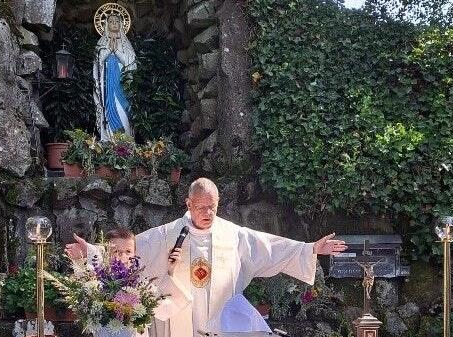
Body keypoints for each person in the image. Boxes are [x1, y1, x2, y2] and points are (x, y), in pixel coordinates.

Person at [69, 178, 347, 336]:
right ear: (188, 204)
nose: (206, 213)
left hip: (222, 326)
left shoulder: (234, 235)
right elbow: (126, 254)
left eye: (211, 207)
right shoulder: (167, 234)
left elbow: (271, 247)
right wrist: (92, 253)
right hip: (180, 325)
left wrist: (310, 248)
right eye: (200, 207)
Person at [65, 228, 190, 337]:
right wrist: (86, 254)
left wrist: (171, 271)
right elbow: (84, 278)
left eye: (128, 251)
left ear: (135, 254)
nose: (122, 256)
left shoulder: (142, 283)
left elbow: (168, 306)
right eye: (115, 251)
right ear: (106, 253)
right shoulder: (97, 279)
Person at [93, 14, 136, 141]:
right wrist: (108, 51)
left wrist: (116, 51)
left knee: (124, 110)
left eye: (117, 21)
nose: (114, 23)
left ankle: (125, 140)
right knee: (108, 106)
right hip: (107, 86)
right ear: (106, 24)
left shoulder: (126, 43)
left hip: (122, 84)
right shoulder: (101, 43)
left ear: (121, 24)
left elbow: (131, 63)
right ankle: (109, 140)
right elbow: (98, 61)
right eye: (111, 21)